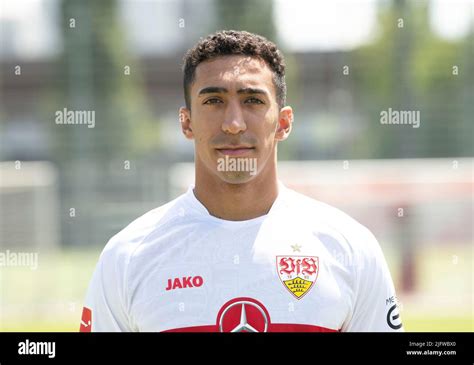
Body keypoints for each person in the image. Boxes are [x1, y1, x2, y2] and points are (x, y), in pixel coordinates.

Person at [80, 30, 403, 332]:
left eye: (253, 101)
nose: (233, 124)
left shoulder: (349, 246)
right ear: (187, 122)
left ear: (284, 123)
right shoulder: (129, 254)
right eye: (213, 101)